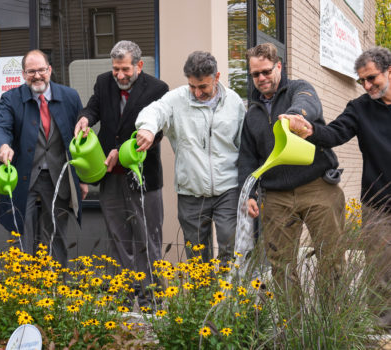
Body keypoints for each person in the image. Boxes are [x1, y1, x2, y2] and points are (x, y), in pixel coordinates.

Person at [281, 47, 391, 330]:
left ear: (389, 71)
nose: (367, 86)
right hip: (379, 204)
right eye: (362, 81)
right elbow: (334, 133)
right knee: (379, 270)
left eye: (372, 78)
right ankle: (380, 328)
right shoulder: (360, 107)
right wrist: (310, 131)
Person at [237, 43, 345, 292]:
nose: (262, 78)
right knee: (281, 266)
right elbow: (247, 158)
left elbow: (308, 103)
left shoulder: (299, 89)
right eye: (255, 74)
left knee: (332, 260)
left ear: (278, 66)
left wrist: (296, 116)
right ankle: (291, 328)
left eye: (266, 71)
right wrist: (249, 194)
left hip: (317, 188)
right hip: (275, 197)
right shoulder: (251, 113)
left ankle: (332, 326)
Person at [74, 40, 168, 305]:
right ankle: (123, 300)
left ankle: (152, 301)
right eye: (116, 69)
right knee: (118, 238)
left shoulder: (158, 89)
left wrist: (120, 149)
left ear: (138, 65)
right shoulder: (104, 82)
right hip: (110, 177)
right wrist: (85, 119)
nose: (120, 75)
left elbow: (156, 131)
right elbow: (93, 107)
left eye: (125, 69)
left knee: (147, 238)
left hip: (143, 177)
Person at [136, 51, 245, 263]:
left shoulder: (234, 103)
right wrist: (148, 128)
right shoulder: (176, 99)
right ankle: (202, 295)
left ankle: (228, 295)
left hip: (228, 189)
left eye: (203, 86)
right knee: (196, 256)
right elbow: (154, 111)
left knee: (229, 248)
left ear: (217, 77)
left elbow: (243, 145)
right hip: (191, 192)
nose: (196, 92)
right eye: (192, 86)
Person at [0, 49, 86, 265]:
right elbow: (0, 128)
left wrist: (81, 179)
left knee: (57, 236)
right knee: (19, 235)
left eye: (41, 70)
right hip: (23, 176)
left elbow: (79, 142)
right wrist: (3, 146)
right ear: (24, 74)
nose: (37, 76)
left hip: (59, 177)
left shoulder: (70, 97)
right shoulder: (11, 99)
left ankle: (57, 288)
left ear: (49, 70)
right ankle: (23, 289)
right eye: (31, 71)